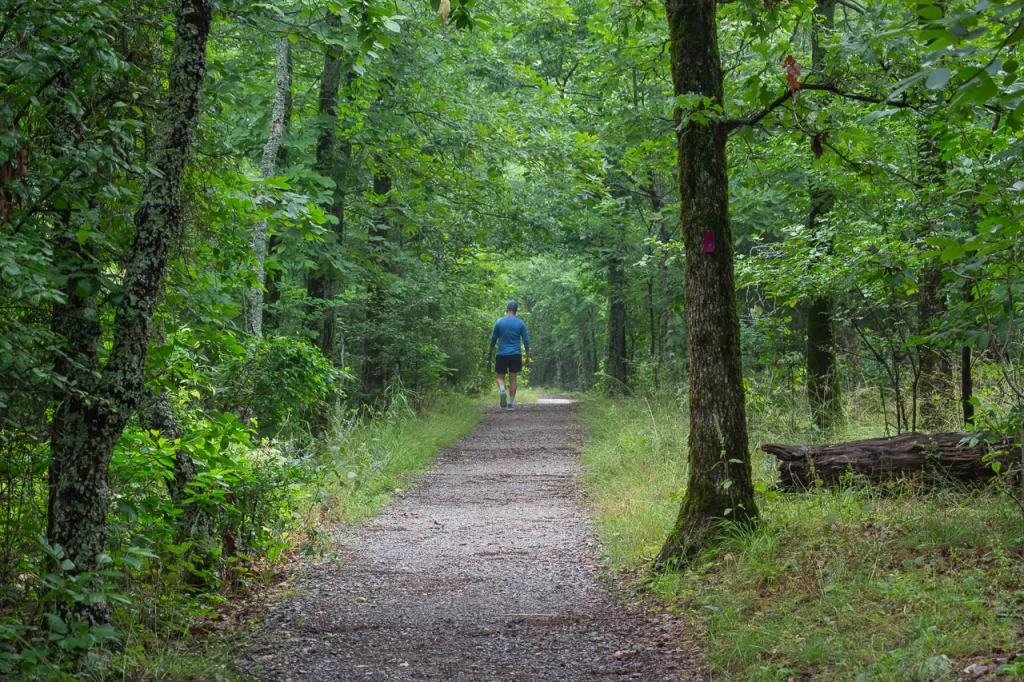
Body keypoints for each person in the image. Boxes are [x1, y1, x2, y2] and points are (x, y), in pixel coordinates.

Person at [487, 301, 531, 409]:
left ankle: (502, 390)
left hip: (502, 354)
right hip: (516, 354)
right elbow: (526, 340)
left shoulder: (499, 322)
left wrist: (490, 353)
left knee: (500, 377)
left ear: (507, 310)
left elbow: (493, 340)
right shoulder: (521, 323)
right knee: (513, 379)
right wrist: (527, 356)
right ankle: (510, 404)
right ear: (516, 311)